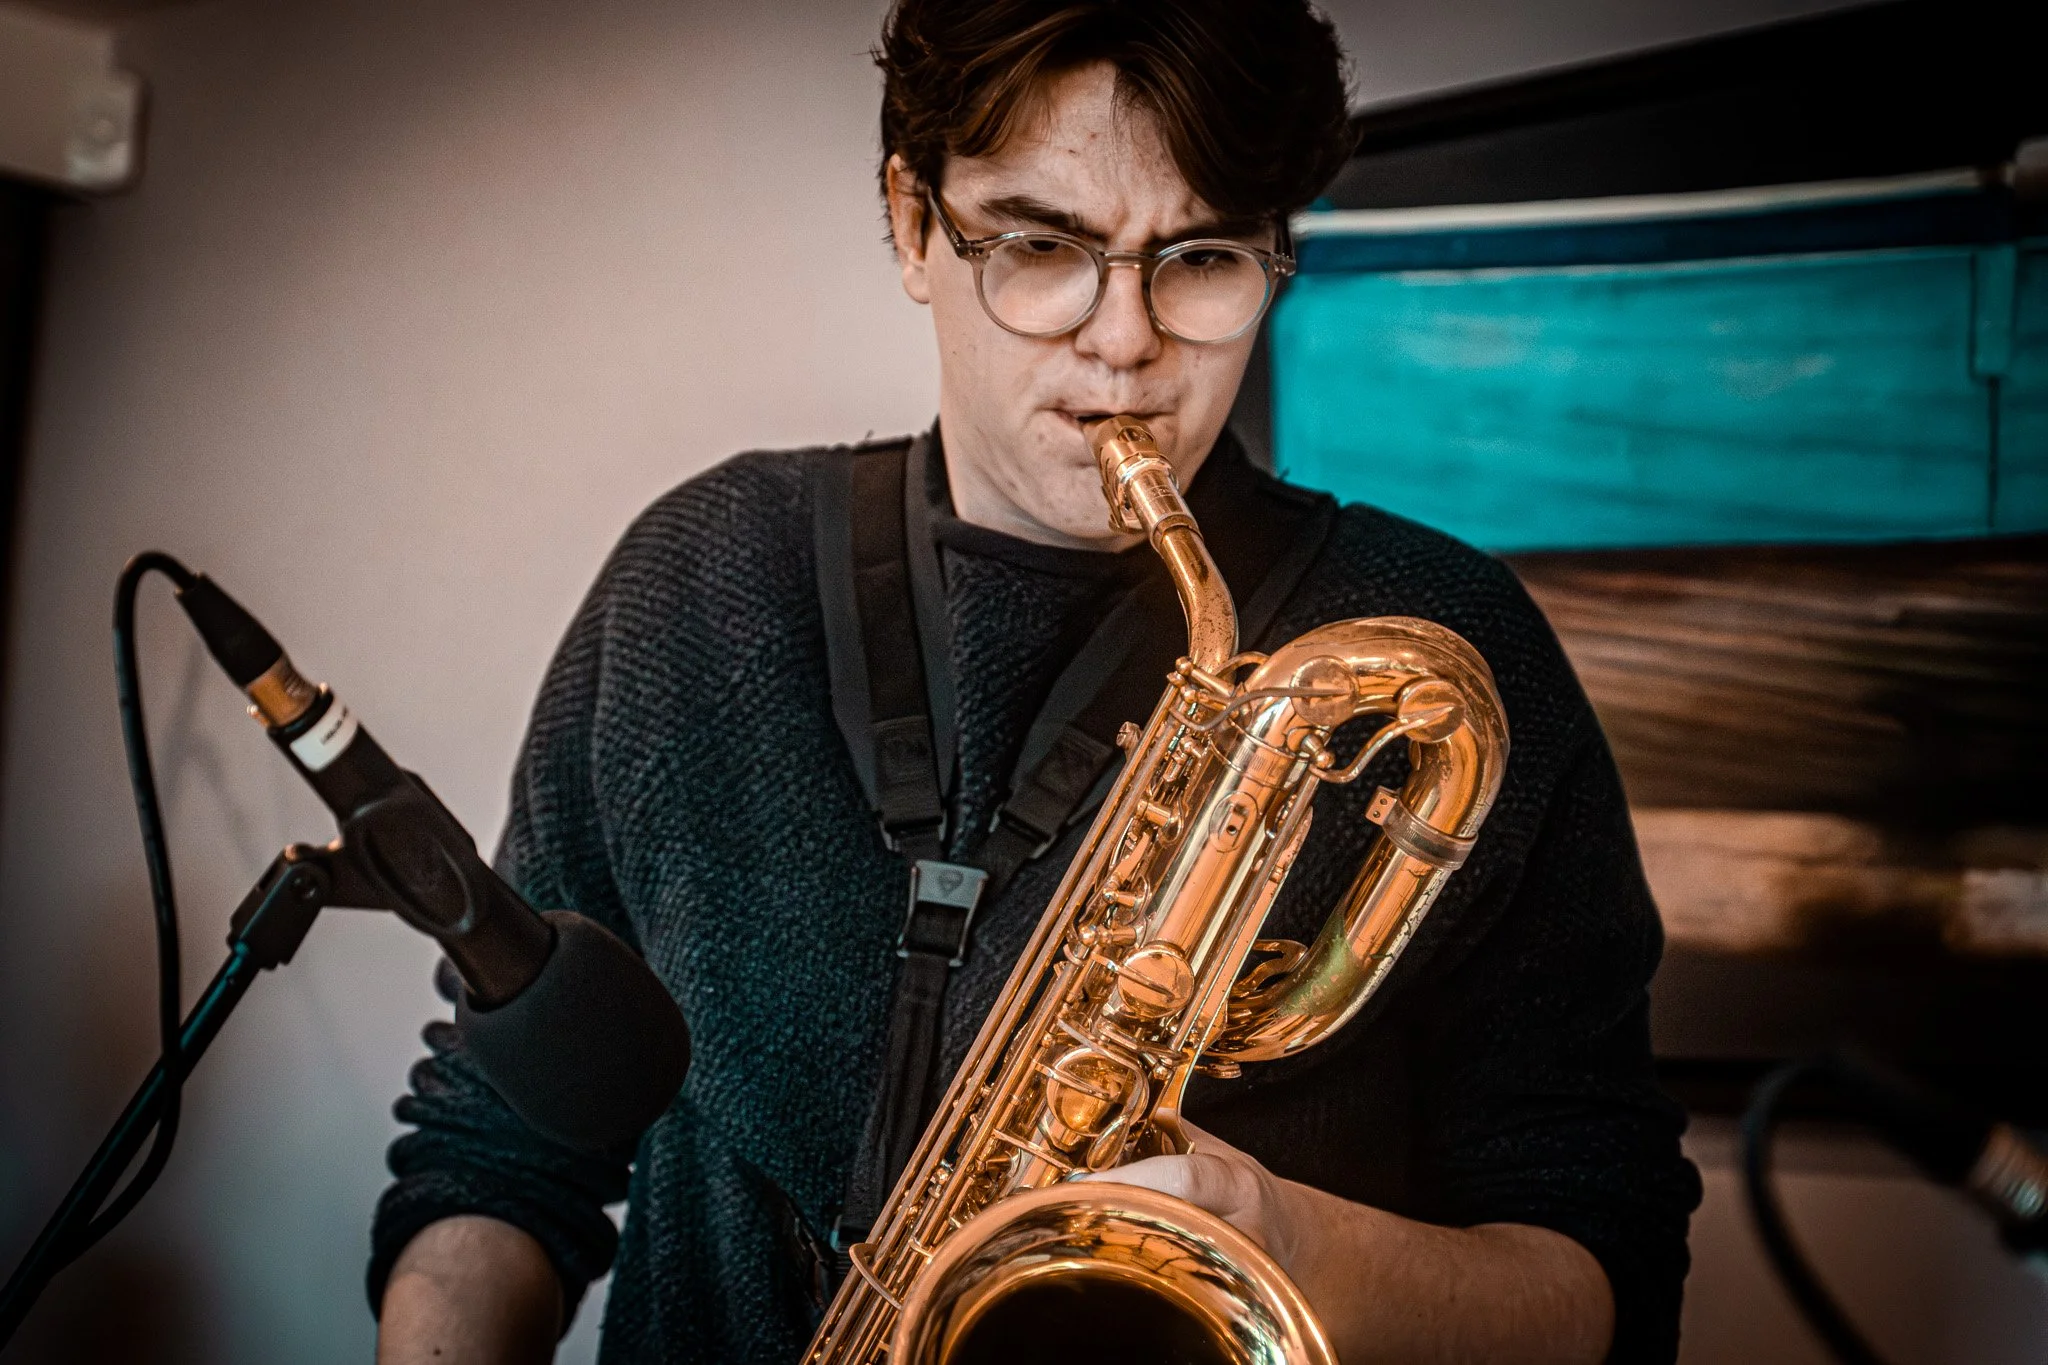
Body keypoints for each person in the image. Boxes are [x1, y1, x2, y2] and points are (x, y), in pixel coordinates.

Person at [370, 2, 1701, 1362]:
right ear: (910, 220)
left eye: (1204, 255)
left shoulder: (1440, 644)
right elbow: (505, 1136)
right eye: (1043, 245)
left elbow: (1600, 1276)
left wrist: (1287, 1242)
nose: (1123, 340)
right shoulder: (697, 581)